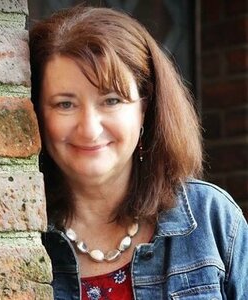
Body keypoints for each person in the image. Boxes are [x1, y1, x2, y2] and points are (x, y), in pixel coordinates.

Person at [29, 6, 248, 299]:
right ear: (37, 114)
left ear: (144, 109)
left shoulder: (212, 219)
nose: (89, 129)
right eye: (65, 104)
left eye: (111, 100)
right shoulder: (18, 237)